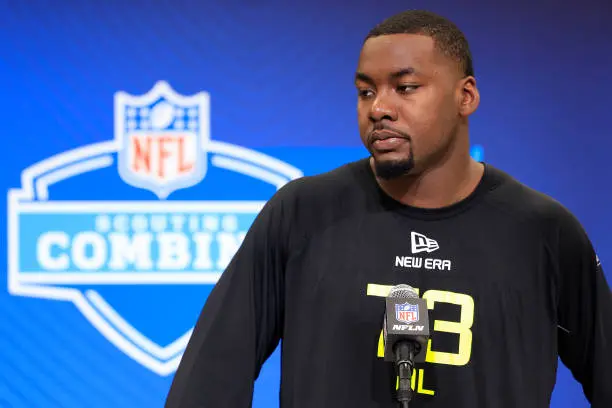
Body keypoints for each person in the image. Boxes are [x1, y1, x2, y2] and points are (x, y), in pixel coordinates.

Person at [165, 9, 612, 407]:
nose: (379, 108)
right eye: (365, 92)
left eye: (406, 87)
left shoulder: (542, 232)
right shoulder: (301, 213)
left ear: (466, 97)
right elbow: (210, 380)